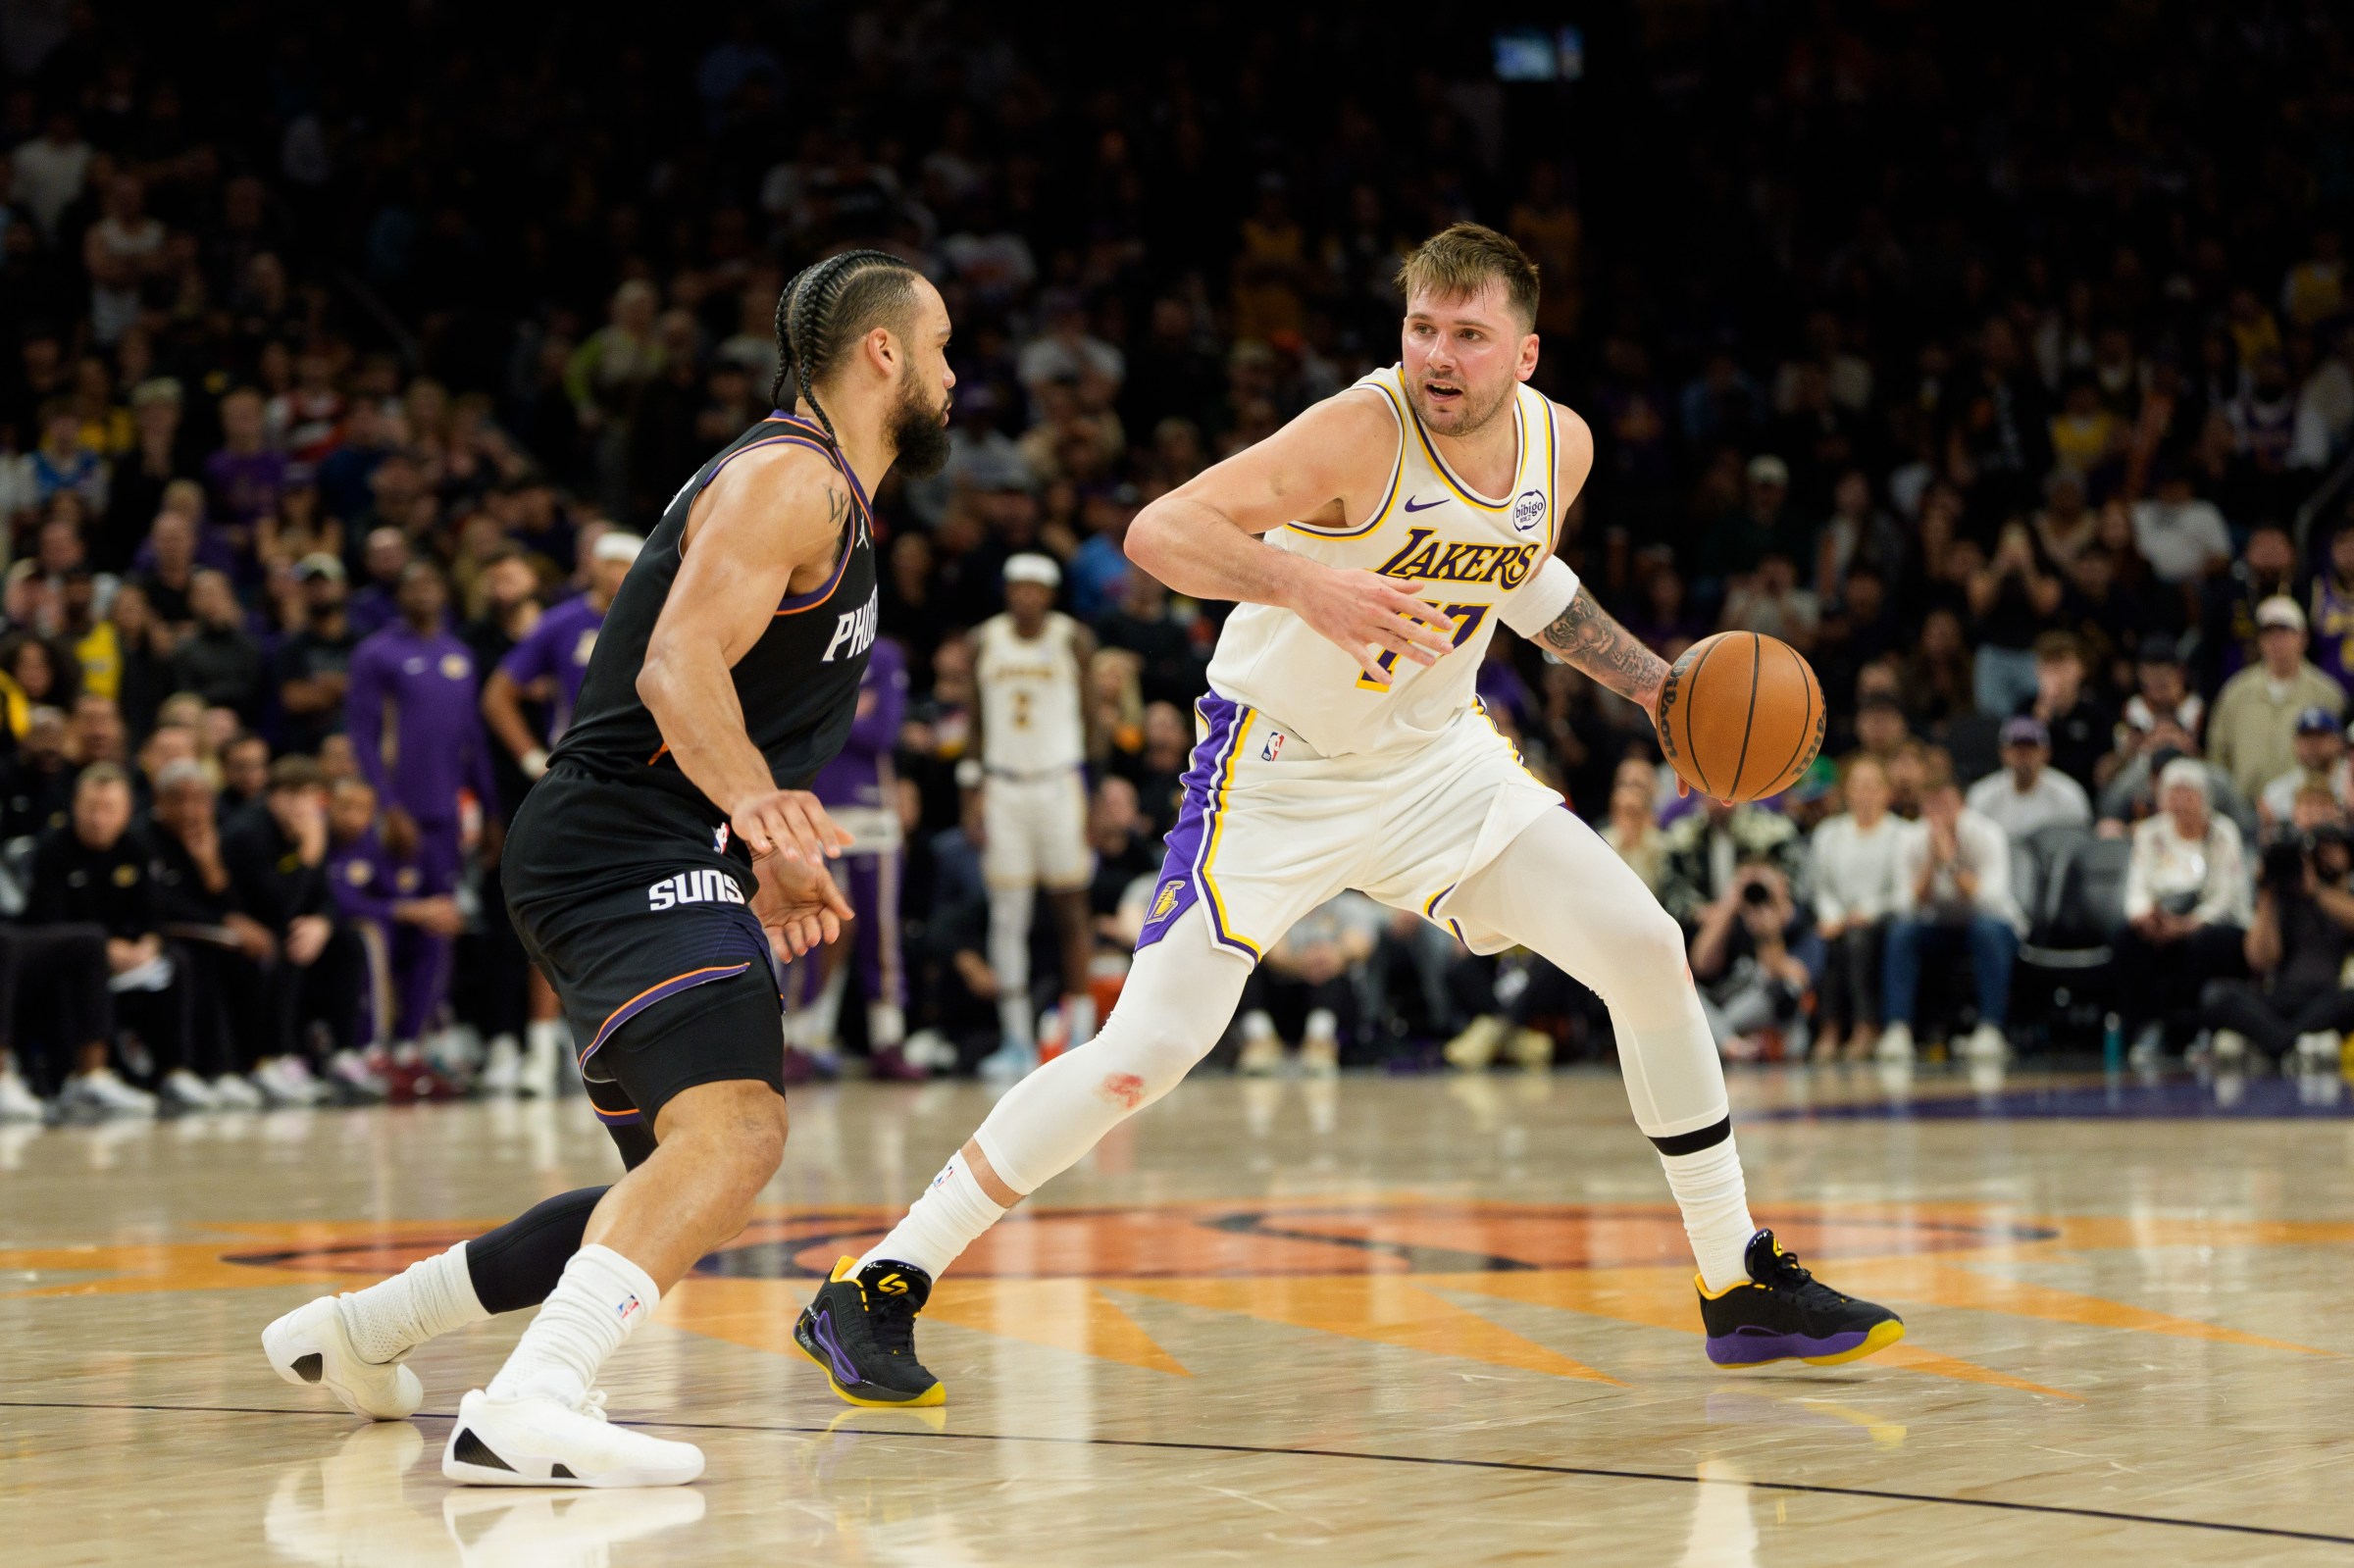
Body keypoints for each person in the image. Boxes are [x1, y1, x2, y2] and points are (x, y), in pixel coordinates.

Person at [807, 225, 1898, 1411]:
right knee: (1147, 1055)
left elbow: (1523, 574)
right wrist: (1306, 582)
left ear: (1523, 354)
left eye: (1468, 335)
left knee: (1646, 947)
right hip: (1274, 771)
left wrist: (1652, 685)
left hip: (1436, 765)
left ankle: (1736, 1280)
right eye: (1422, 326)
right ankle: (879, 1279)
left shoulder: (1559, 446)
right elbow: (1158, 532)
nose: (1438, 354)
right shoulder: (1360, 430)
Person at [262, 250, 955, 1490]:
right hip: (622, 839)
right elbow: (674, 668)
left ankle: (355, 1337)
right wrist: (770, 824)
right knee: (736, 1132)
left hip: (637, 844)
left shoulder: (831, 496)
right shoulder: (790, 477)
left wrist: (759, 837)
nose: (956, 376)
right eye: (943, 347)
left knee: (661, 1187)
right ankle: (533, 1399)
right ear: (884, 353)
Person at [478, 531, 643, 1095]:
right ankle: (540, 1053)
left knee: (630, 918)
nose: (620, 576)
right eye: (611, 566)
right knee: (556, 914)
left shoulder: (661, 616)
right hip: (572, 786)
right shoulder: (561, 623)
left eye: (629, 565)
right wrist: (530, 757)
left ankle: (614, 1050)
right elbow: (498, 692)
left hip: (643, 789)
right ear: (593, 570)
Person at [344, 560, 501, 1064]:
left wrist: (492, 811)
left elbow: (473, 740)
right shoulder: (376, 654)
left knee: (441, 926)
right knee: (389, 927)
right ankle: (372, 1043)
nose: (424, 591)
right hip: (395, 819)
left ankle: (416, 1042)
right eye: (413, 584)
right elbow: (364, 738)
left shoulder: (459, 656)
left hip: (445, 817)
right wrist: (387, 808)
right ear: (398, 594)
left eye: (433, 581)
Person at [970, 551, 1100, 1077]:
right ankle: (1016, 1039)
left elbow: (1094, 719)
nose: (1025, 595)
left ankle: (1087, 1033)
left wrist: (1095, 789)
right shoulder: (985, 640)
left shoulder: (1072, 639)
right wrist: (970, 793)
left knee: (1072, 909)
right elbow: (976, 723)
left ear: (1049, 594)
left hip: (1059, 783)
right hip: (1002, 786)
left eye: (1035, 588)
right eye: (1016, 586)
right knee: (1008, 917)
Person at [25, 764, 196, 1114]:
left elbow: (155, 912)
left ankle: (175, 1072)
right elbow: (45, 920)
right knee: (86, 951)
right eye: (92, 807)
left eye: (109, 809)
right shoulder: (53, 848)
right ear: (74, 806)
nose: (99, 818)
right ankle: (89, 1076)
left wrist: (149, 944)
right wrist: (106, 948)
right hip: (65, 957)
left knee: (178, 960)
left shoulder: (137, 847)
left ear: (126, 811)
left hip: (129, 956)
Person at [787, 634, 915, 1077]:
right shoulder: (801, 642)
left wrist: (822, 715)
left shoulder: (884, 654)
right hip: (811, 807)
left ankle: (888, 1039)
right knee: (808, 925)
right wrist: (849, 714)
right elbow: (785, 729)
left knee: (881, 931)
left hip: (871, 809)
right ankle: (796, 1040)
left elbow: (883, 733)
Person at [1877, 776, 2023, 1063]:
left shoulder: (1987, 834)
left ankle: (1991, 1029)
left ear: (1961, 804)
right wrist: (1932, 864)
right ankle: (1898, 1028)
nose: (1938, 812)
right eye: (1931, 805)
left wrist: (1952, 863)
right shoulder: (1912, 838)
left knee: (1987, 930)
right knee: (1902, 933)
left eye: (1945, 803)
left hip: (1991, 924)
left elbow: (1992, 899)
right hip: (1940, 927)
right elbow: (1903, 904)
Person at [2117, 758, 2252, 1059]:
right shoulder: (2150, 833)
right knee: (2127, 939)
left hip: (2214, 922)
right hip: (2163, 920)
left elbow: (2226, 897)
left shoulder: (2223, 833)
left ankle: (2199, 1029)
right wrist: (2145, 917)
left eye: (2187, 793)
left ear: (2203, 797)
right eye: (2173, 793)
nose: (2180, 801)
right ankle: (2147, 1028)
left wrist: (2190, 924)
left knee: (2204, 944)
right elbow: (2137, 887)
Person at [2207, 823, 2354, 1067]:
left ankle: (2271, 1042)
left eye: (2333, 848)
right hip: (2278, 997)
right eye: (2319, 849)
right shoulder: (2283, 896)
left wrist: (2315, 889)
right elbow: (2260, 959)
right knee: (2216, 994)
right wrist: (2266, 893)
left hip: (2324, 1000)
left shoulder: (2342, 896)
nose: (2324, 856)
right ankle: (2291, 1044)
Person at [1811, 757, 1909, 1061]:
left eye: (1872, 786)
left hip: (1883, 919)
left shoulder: (1902, 833)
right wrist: (1831, 916)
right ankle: (1829, 1027)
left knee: (1857, 942)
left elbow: (1904, 891)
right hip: (1840, 918)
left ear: (1887, 792)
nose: (1865, 794)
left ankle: (1866, 1026)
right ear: (1846, 792)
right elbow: (1821, 886)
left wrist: (1868, 911)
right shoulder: (1828, 833)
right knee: (1827, 940)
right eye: (1857, 786)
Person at [2207, 596, 2345, 804]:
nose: (2277, 641)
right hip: (2245, 806)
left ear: (2303, 637)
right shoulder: (2236, 692)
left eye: (2285, 632)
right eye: (2268, 633)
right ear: (2259, 640)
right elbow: (2218, 753)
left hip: (2307, 807)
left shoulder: (2326, 693)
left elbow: (2340, 755)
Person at [1967, 716, 2092, 842]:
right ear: (2003, 753)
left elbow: (2079, 846)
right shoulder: (1982, 795)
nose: (2024, 755)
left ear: (2046, 752)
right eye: (2017, 748)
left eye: (2031, 748)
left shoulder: (2068, 795)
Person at [2258, 707, 2353, 830]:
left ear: (2338, 742)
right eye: (2306, 736)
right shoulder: (2276, 792)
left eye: (2320, 736)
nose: (2312, 744)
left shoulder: (2350, 781)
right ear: (2295, 742)